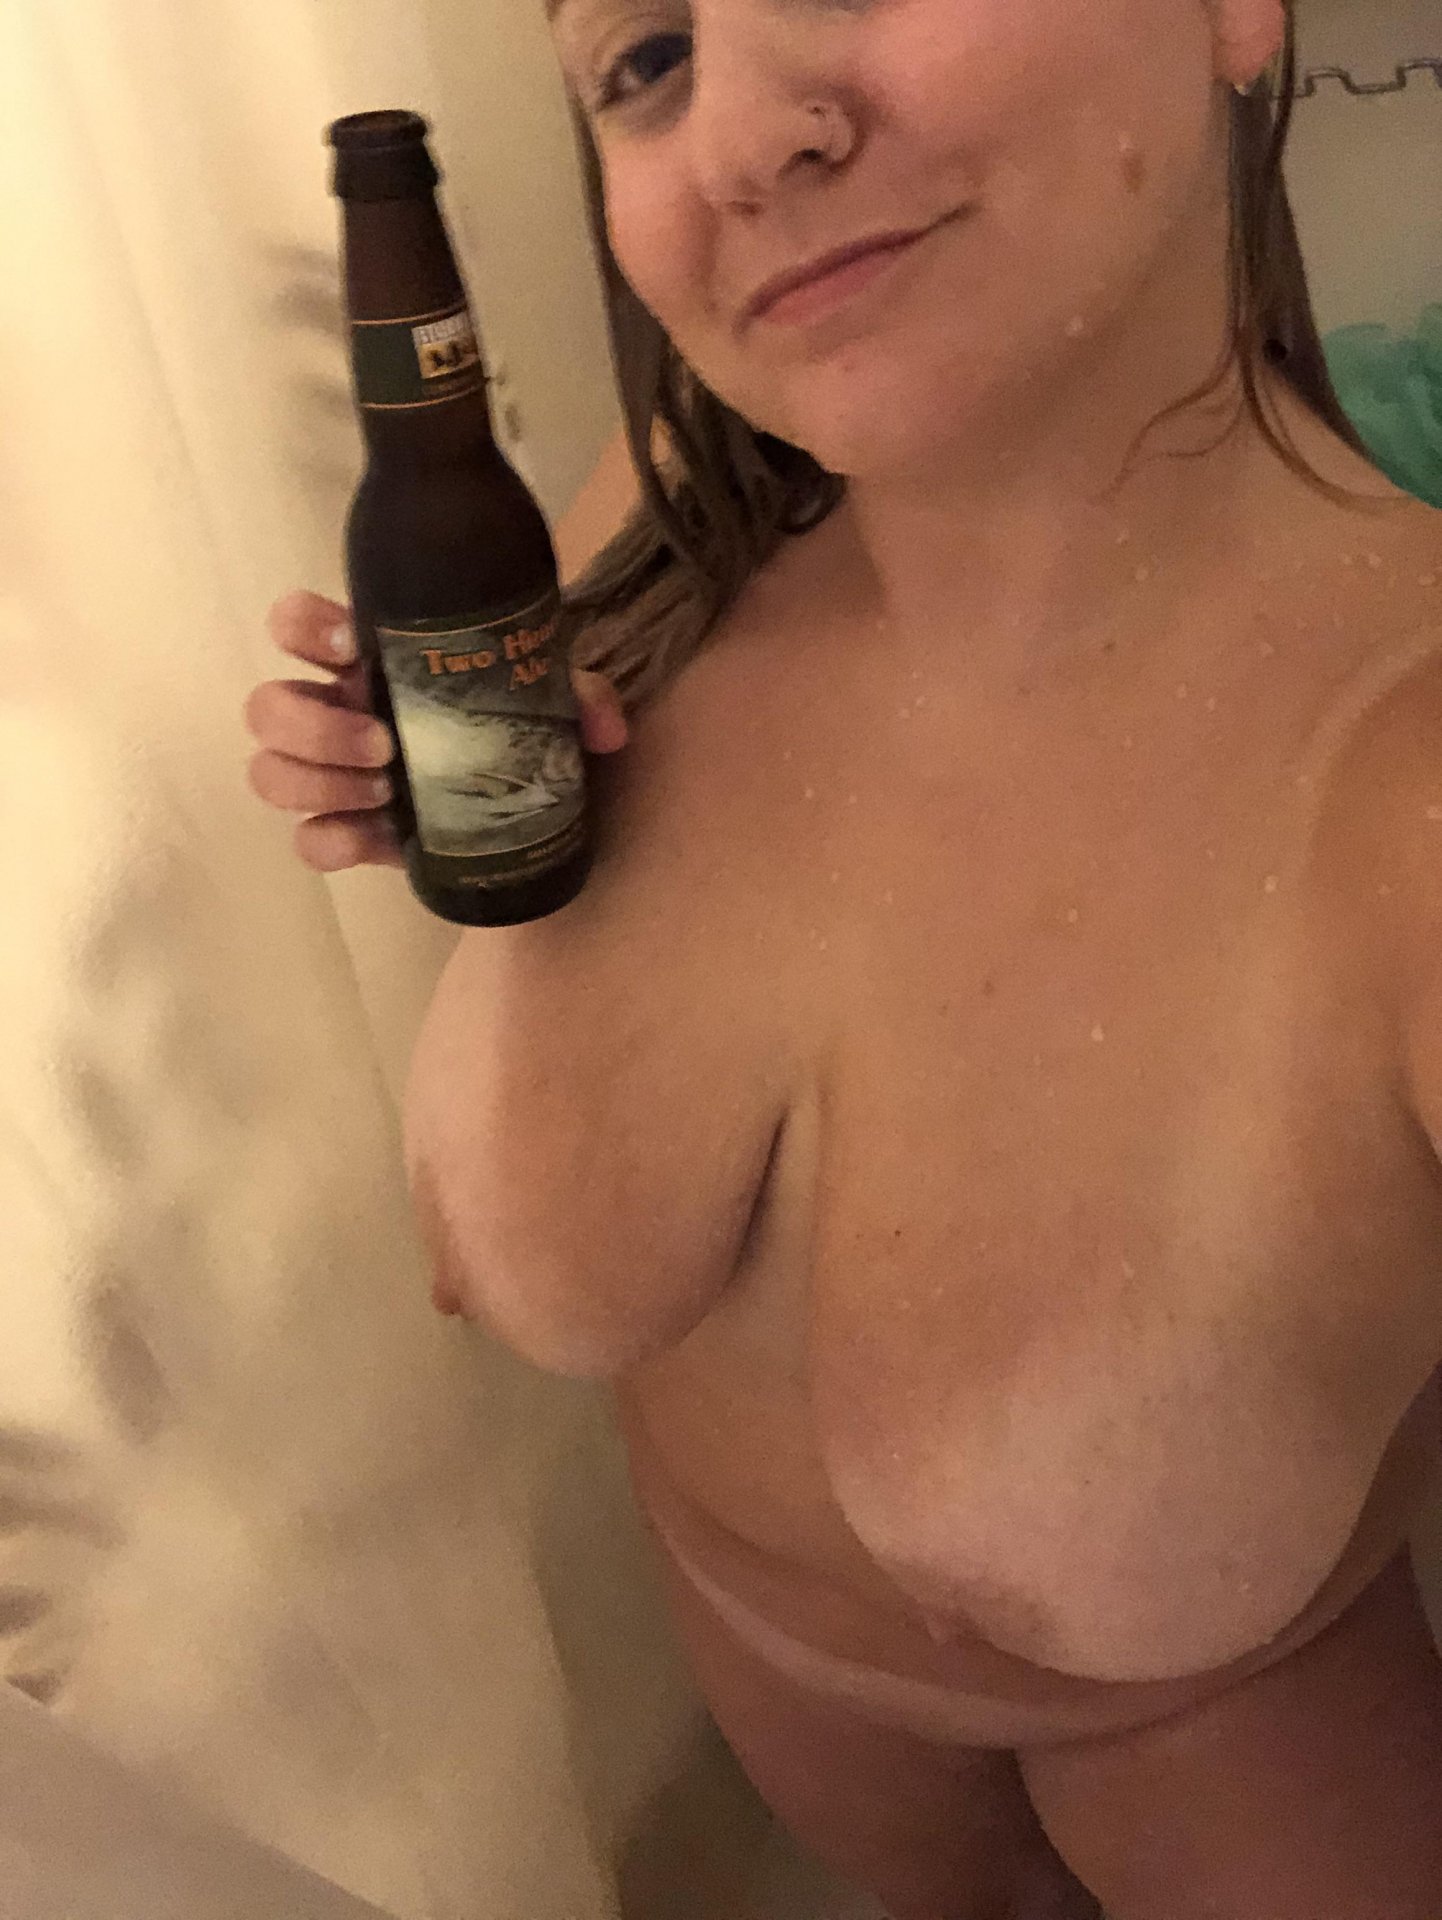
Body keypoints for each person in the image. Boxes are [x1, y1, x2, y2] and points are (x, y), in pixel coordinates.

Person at [245, 2, 1442, 1913]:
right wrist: (463, 817)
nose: (736, 140)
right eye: (646, 58)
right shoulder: (672, 526)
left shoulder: (1407, 781)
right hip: (801, 1738)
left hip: (1243, 1767)